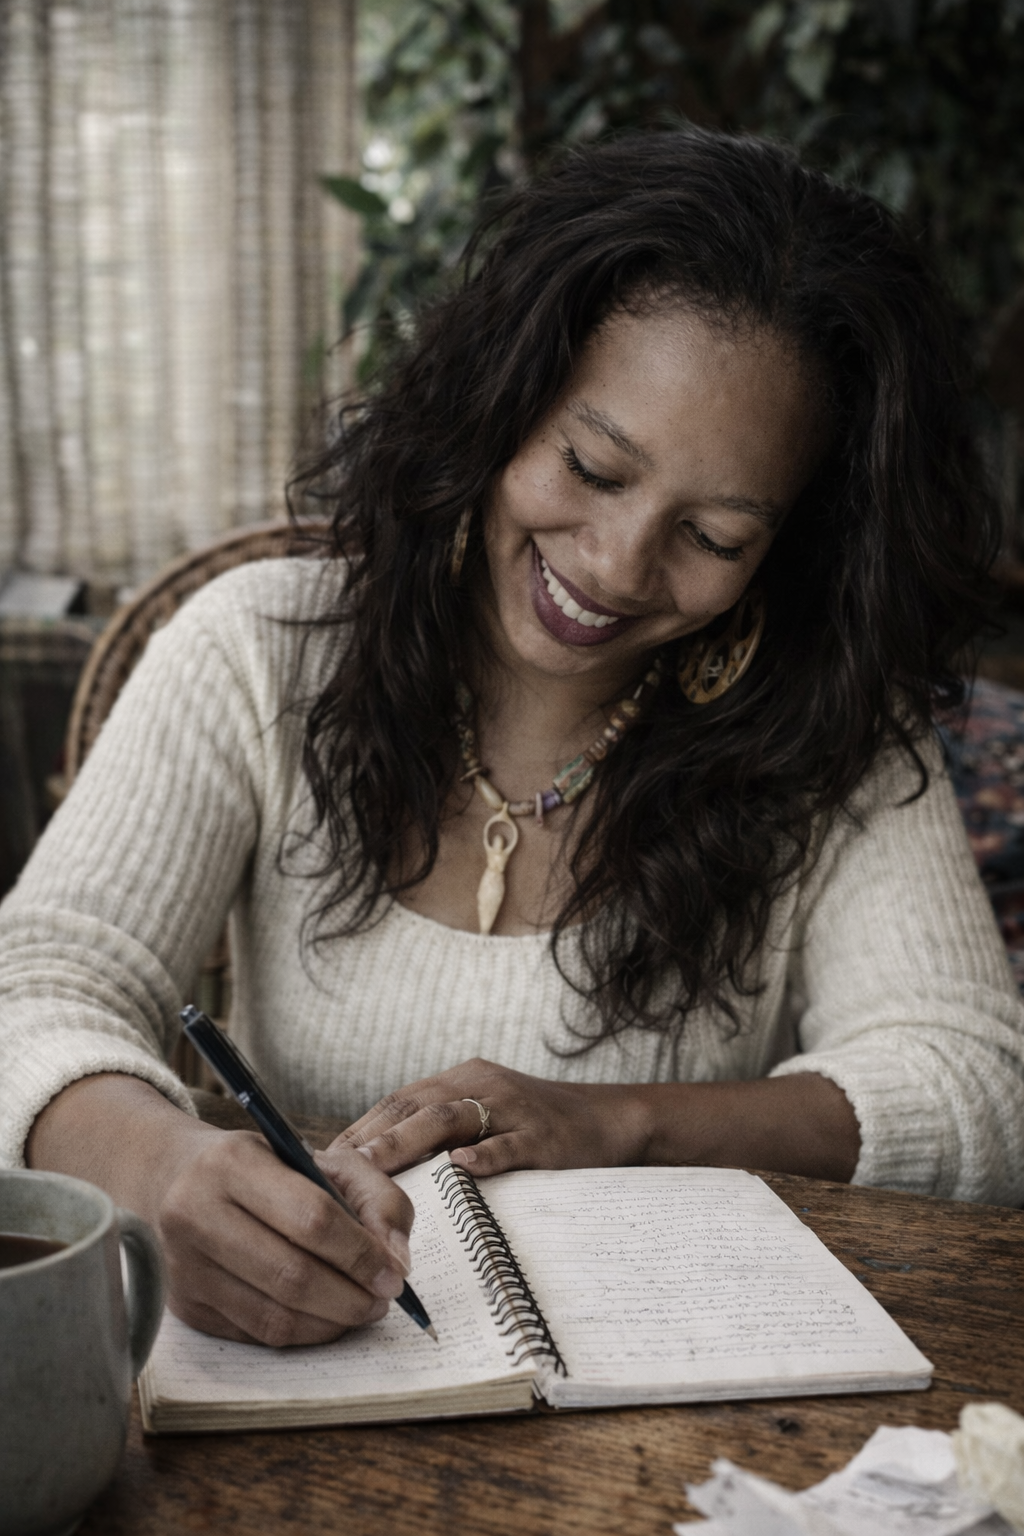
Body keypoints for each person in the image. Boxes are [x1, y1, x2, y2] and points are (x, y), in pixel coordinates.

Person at [2, 129, 1022, 1351]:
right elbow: (37, 979)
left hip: (669, 1416)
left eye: (712, 536)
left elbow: (979, 1093)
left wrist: (618, 1124)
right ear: (503, 398)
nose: (614, 564)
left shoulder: (830, 737)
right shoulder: (257, 651)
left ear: (790, 549)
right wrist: (160, 1167)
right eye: (591, 467)